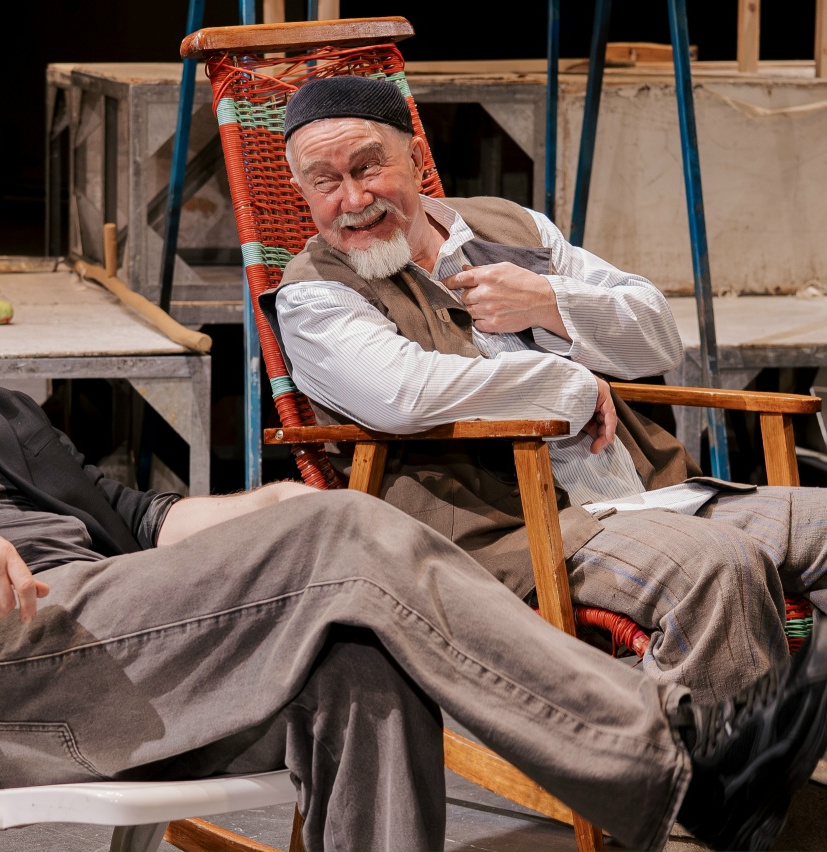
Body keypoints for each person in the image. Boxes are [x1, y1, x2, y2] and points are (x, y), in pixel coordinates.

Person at [0, 201, 827, 852]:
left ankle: (671, 770)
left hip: (135, 645)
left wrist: (267, 509)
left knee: (356, 656)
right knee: (341, 544)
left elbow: (142, 521)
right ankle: (669, 764)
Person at [272, 74, 827, 706]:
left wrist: (548, 302)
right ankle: (698, 770)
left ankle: (759, 738)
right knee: (718, 566)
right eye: (324, 181)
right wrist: (570, 383)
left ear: (418, 160)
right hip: (520, 537)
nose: (352, 198)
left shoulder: (510, 227)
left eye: (369, 167)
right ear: (301, 191)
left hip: (654, 494)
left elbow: (658, 338)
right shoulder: (315, 296)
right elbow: (404, 394)